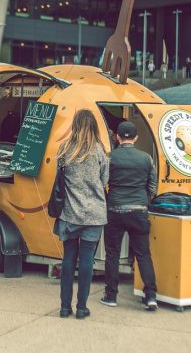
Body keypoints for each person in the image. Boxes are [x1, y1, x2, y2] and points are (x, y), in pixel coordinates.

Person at [54, 109, 109, 320]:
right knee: (87, 261)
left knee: (68, 258)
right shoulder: (99, 151)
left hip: (69, 213)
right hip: (94, 215)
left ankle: (64, 307)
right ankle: (82, 308)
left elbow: (59, 179)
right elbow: (104, 181)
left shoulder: (65, 149)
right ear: (94, 125)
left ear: (75, 125)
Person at [101, 121, 158, 311]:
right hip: (139, 210)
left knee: (113, 254)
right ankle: (150, 296)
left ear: (117, 136)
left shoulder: (110, 158)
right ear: (136, 138)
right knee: (143, 254)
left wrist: (110, 199)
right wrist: (144, 200)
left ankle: (111, 296)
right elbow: (152, 186)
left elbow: (102, 183)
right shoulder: (146, 158)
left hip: (115, 210)